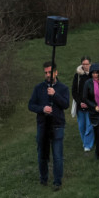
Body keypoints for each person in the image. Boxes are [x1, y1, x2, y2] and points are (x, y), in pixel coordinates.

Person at [28, 61, 69, 190]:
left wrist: (54, 94)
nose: (47, 75)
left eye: (50, 72)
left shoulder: (63, 88)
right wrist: (42, 109)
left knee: (57, 155)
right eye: (45, 72)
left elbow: (65, 104)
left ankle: (57, 182)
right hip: (43, 125)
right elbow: (31, 105)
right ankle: (43, 178)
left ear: (56, 72)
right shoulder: (38, 88)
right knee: (42, 154)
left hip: (57, 125)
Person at [71, 56, 94, 153]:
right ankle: (85, 141)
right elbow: (74, 91)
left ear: (90, 64)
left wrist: (89, 103)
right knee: (82, 126)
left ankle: (87, 145)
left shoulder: (93, 75)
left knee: (89, 125)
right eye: (83, 64)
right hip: (80, 105)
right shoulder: (77, 76)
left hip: (90, 105)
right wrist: (80, 102)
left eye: (87, 64)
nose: (85, 66)